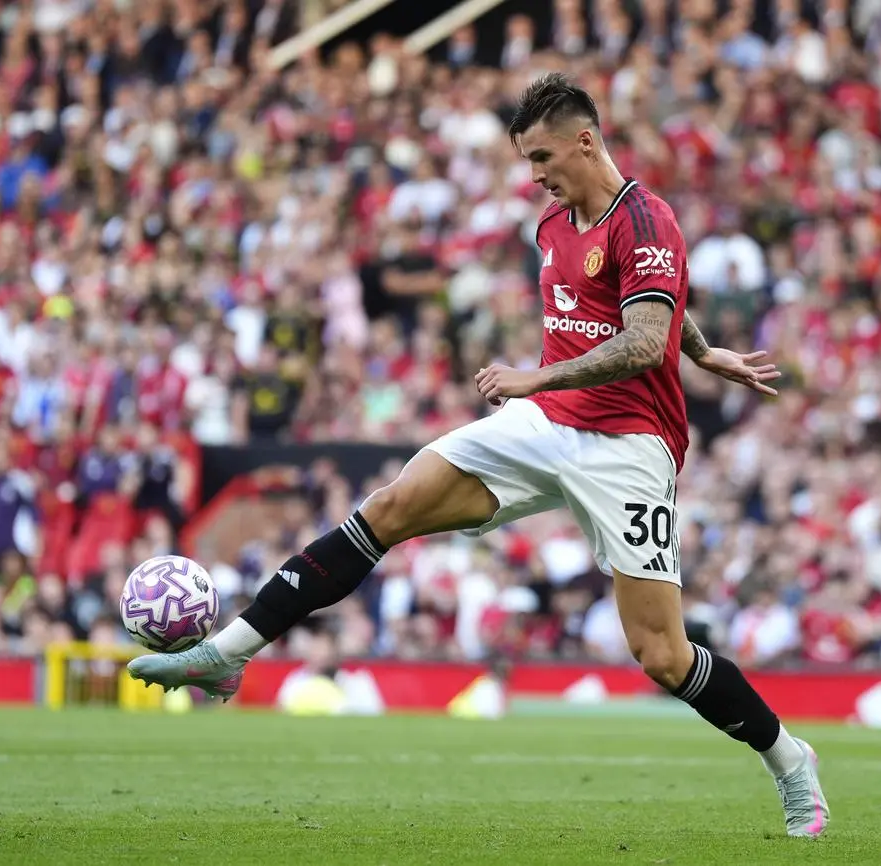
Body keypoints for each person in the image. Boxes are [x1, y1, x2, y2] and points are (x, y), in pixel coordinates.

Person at [130, 73, 830, 838]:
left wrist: (547, 374)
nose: (534, 175)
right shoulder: (554, 223)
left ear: (585, 141)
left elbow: (641, 339)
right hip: (543, 423)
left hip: (630, 446)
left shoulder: (645, 218)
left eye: (542, 157)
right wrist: (700, 349)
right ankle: (229, 651)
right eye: (527, 161)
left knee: (663, 655)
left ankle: (789, 759)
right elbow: (648, 304)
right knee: (391, 506)